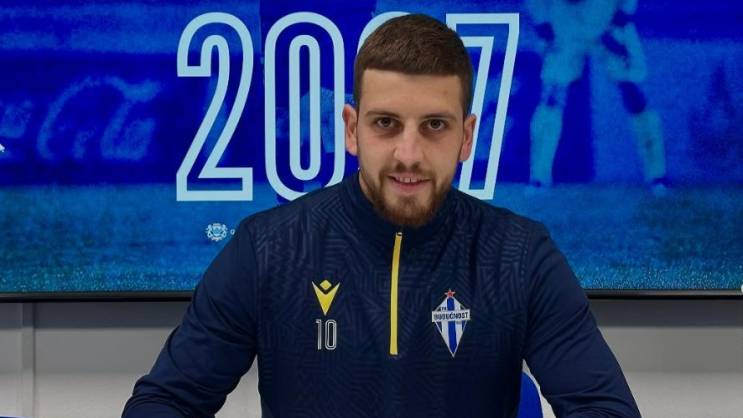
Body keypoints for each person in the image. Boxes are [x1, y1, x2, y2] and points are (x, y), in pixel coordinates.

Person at [123, 14, 641, 418]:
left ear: (466, 137)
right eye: (386, 124)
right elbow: (165, 402)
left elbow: (604, 408)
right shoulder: (268, 248)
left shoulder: (519, 254)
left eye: (434, 125)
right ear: (352, 129)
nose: (408, 154)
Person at [527, 0, 667, 192]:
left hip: (605, 16)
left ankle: (657, 175)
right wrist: (542, 21)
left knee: (632, 91)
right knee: (552, 95)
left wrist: (622, 16)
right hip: (565, 21)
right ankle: (538, 177)